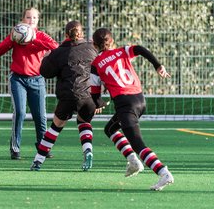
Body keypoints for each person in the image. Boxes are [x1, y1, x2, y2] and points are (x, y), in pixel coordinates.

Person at [90, 28, 174, 191]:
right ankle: (133, 162)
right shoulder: (122, 51)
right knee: (110, 129)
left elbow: (95, 94)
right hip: (139, 100)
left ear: (94, 45)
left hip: (125, 105)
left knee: (138, 144)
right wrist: (158, 65)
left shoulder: (95, 65)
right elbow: (141, 49)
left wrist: (100, 104)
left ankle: (163, 172)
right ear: (112, 41)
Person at [30, 20, 106, 171]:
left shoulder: (59, 52)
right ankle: (88, 150)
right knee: (84, 123)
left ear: (66, 35)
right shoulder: (92, 49)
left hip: (68, 97)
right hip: (88, 97)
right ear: (82, 33)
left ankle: (38, 161)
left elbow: (45, 72)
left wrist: (46, 58)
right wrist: (99, 100)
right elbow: (100, 72)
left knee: (55, 128)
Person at [0, 8, 59, 160]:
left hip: (37, 80)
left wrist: (33, 39)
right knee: (20, 113)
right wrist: (12, 39)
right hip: (18, 79)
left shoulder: (40, 36)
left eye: (34, 18)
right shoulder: (15, 36)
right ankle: (15, 148)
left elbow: (56, 47)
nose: (31, 20)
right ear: (23, 19)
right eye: (28, 17)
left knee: (40, 116)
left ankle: (43, 146)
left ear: (38, 20)